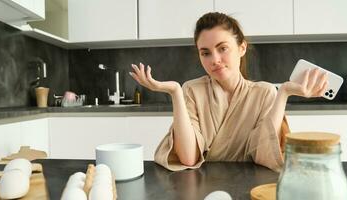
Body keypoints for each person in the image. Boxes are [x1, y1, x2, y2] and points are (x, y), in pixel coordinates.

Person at [129, 12, 328, 172]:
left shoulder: (265, 93)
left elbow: (265, 155)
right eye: (205, 52)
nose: (214, 59)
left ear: (242, 48)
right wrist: (175, 92)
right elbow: (189, 158)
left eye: (222, 48)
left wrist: (283, 92)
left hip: (250, 184)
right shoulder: (191, 90)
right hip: (200, 187)